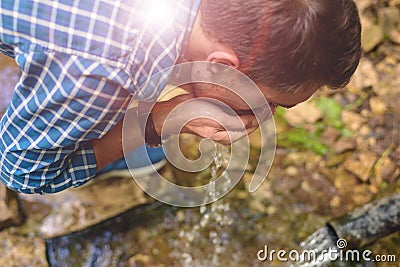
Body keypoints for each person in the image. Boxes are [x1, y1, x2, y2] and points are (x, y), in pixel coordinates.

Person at [0, 0, 361, 194]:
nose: (265, 115)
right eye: (272, 103)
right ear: (220, 66)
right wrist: (156, 121)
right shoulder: (111, 65)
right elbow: (23, 172)